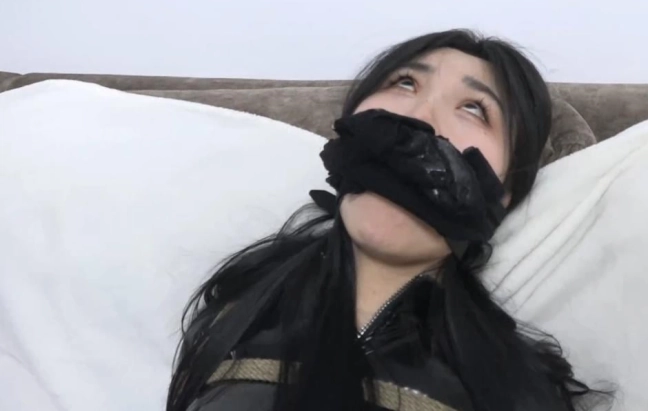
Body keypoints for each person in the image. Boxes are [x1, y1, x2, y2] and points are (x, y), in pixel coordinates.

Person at [167, 29, 609, 411]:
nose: (417, 116)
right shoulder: (234, 310)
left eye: (475, 108)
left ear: (505, 192)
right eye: (404, 83)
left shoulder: (518, 389)